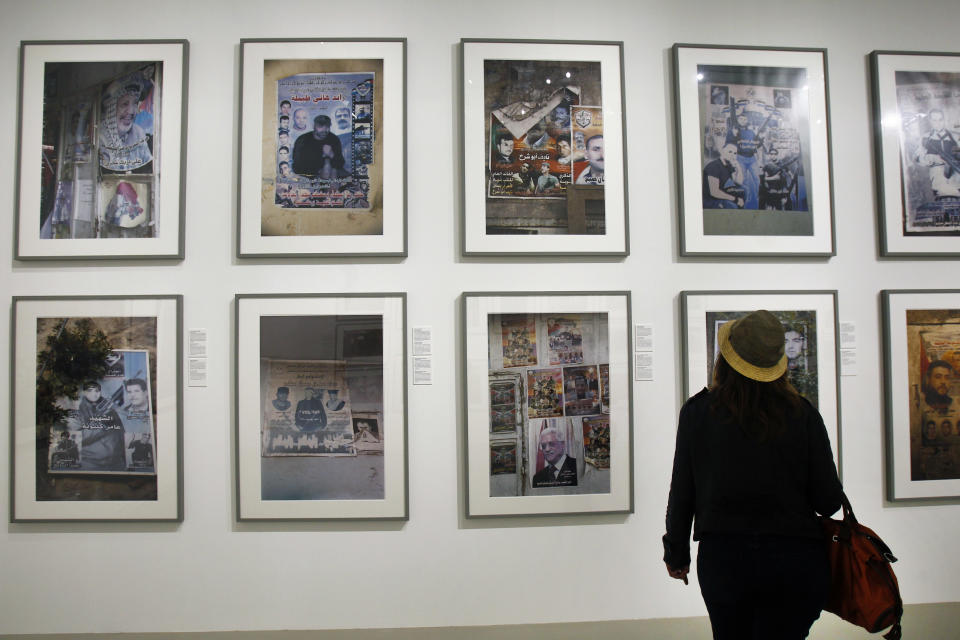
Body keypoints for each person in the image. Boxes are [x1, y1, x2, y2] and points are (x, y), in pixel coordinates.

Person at [663, 310, 842, 639]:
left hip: (725, 559)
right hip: (795, 559)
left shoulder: (699, 412)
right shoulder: (802, 414)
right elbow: (829, 500)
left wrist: (676, 553)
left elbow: (682, 492)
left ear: (727, 360)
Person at [75, 381, 127, 471]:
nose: (94, 394)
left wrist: (124, 457)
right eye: (90, 391)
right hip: (92, 464)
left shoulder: (109, 409)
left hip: (116, 463)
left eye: (97, 391)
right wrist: (101, 423)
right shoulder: (78, 412)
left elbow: (120, 433)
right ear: (84, 392)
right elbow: (79, 438)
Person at [915, 109, 960, 200]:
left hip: (956, 179)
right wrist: (931, 158)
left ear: (944, 120)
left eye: (940, 120)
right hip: (938, 179)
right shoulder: (925, 138)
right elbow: (918, 158)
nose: (938, 123)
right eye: (934, 120)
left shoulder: (956, 136)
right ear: (930, 121)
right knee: (941, 206)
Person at [726, 112, 762, 209]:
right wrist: (733, 135)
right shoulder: (733, 130)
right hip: (740, 158)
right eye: (741, 119)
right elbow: (728, 143)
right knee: (744, 179)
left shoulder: (751, 132)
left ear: (747, 121)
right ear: (738, 120)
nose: (743, 121)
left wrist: (761, 137)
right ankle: (747, 196)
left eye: (745, 119)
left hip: (752, 158)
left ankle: (761, 195)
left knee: (757, 178)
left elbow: (756, 144)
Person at [702, 143, 744, 209]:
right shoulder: (714, 166)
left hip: (720, 193)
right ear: (722, 151)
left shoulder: (728, 165)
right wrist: (735, 199)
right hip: (709, 199)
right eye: (730, 151)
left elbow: (739, 183)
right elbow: (714, 192)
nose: (732, 155)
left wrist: (739, 168)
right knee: (732, 206)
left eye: (735, 153)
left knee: (743, 190)